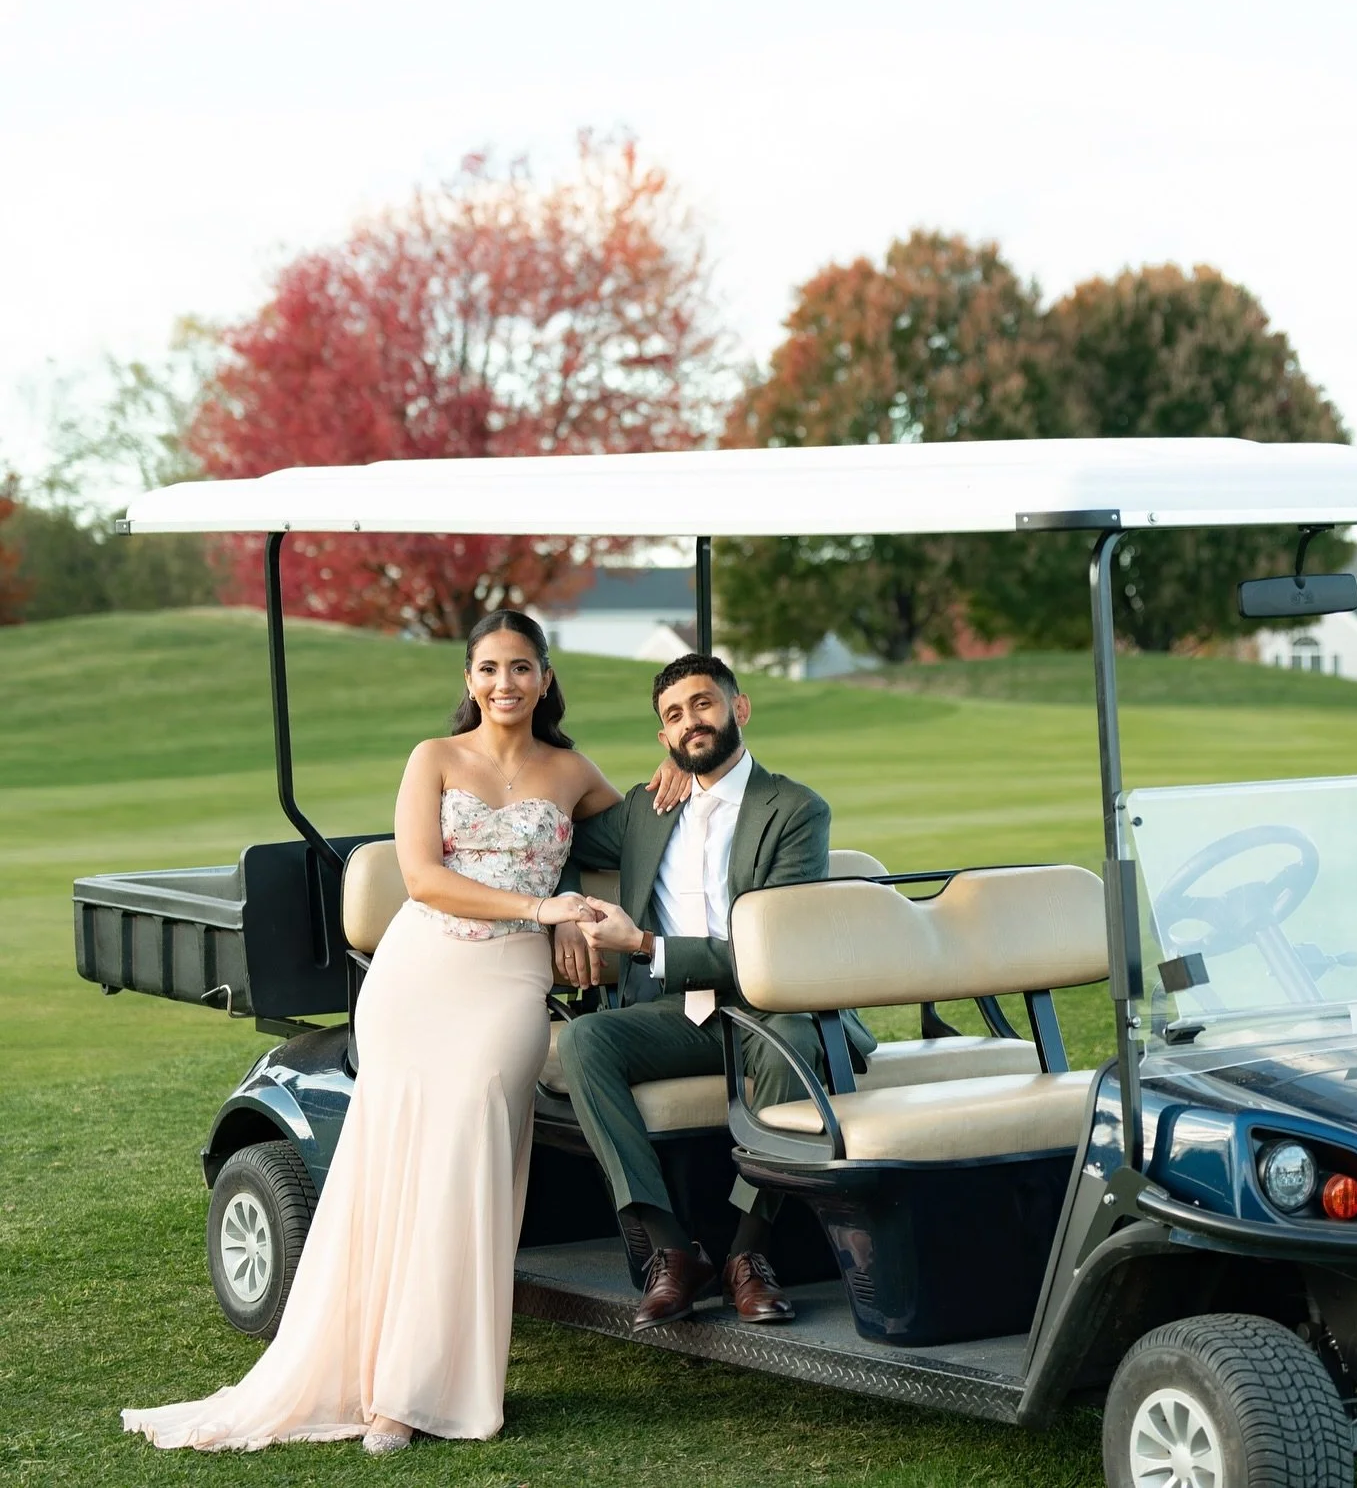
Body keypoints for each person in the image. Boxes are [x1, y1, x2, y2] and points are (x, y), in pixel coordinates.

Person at [122, 611, 682, 1457]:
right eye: (490, 667)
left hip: (507, 984)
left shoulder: (570, 769)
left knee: (470, 1161)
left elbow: (637, 825)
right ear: (468, 678)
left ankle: (423, 1386)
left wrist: (671, 771)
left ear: (545, 676)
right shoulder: (434, 758)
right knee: (395, 1169)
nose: (505, 683)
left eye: (522, 667)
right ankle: (377, 1380)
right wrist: (545, 905)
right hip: (419, 974)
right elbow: (422, 876)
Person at [556, 652, 875, 1332]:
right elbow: (553, 836)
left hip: (767, 1004)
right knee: (585, 1038)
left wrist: (644, 945)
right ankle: (671, 1250)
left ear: (739, 707)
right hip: (676, 1013)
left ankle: (745, 1254)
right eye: (674, 716)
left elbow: (771, 949)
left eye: (703, 704)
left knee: (794, 1041)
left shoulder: (793, 808)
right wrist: (563, 917)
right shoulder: (646, 808)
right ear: (663, 738)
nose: (691, 722)